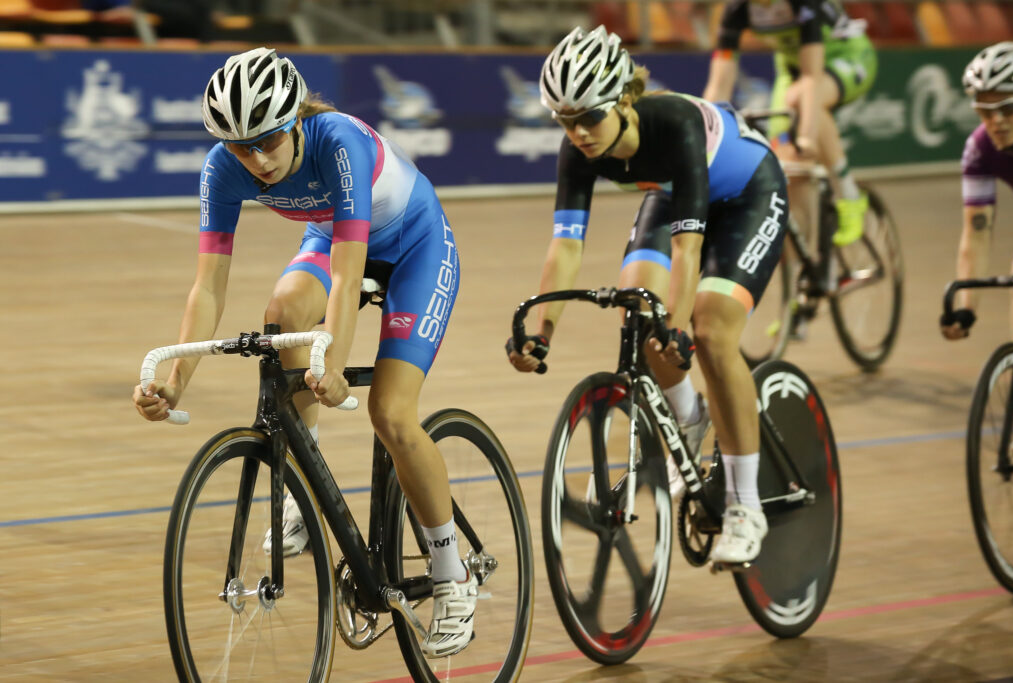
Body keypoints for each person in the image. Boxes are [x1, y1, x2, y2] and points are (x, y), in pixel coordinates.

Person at [131, 47, 475, 658]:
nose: (257, 161)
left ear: (294, 121)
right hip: (333, 238)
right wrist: (176, 381)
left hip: (415, 244)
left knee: (391, 414)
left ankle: (453, 575)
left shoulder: (337, 140)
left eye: (267, 141)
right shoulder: (222, 168)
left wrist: (335, 364)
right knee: (283, 313)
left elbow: (346, 278)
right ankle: (300, 486)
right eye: (242, 148)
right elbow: (208, 285)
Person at [508, 25, 788, 565]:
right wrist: (542, 333)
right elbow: (565, 248)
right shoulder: (580, 151)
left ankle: (745, 505)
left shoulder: (675, 124)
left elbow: (688, 250)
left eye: (590, 117)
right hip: (676, 195)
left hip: (749, 193)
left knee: (707, 328)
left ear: (626, 99)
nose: (579, 133)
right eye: (565, 121)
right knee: (636, 306)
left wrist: (679, 330)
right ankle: (691, 412)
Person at [702, 0, 877, 248]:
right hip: (792, 68)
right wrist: (705, 135)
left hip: (846, 57)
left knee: (799, 103)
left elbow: (811, 77)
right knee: (789, 164)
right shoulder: (736, 8)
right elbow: (719, 84)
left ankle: (849, 196)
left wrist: (806, 136)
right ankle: (807, 263)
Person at [943, 41, 1013, 344]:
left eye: (1008, 108)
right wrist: (967, 308)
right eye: (984, 110)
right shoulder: (980, 148)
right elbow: (976, 233)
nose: (996, 121)